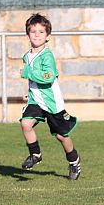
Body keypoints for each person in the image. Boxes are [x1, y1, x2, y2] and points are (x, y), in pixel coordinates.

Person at [19, 13, 81, 180]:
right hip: (36, 101)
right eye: (33, 31)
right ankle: (35, 154)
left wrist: (27, 72)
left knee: (62, 136)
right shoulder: (27, 56)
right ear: (28, 34)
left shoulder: (47, 56)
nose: (37, 35)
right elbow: (35, 80)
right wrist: (30, 92)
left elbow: (48, 77)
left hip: (52, 103)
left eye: (41, 32)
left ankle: (74, 161)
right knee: (25, 124)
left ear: (47, 36)